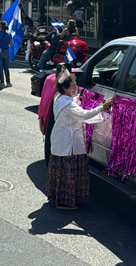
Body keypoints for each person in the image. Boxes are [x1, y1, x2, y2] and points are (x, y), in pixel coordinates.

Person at [46, 69, 113, 210]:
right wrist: (102, 107)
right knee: (67, 171)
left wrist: (79, 97)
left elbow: (73, 101)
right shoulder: (67, 104)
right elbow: (83, 115)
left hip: (62, 138)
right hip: (67, 141)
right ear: (65, 88)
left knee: (62, 170)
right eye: (73, 86)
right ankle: (65, 202)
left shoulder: (59, 97)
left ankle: (60, 198)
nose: (76, 88)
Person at [0, 21, 14, 87]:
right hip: (6, 51)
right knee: (6, 68)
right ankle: (8, 82)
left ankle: (2, 82)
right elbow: (11, 44)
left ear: (0, 27)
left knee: (0, 68)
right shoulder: (9, 34)